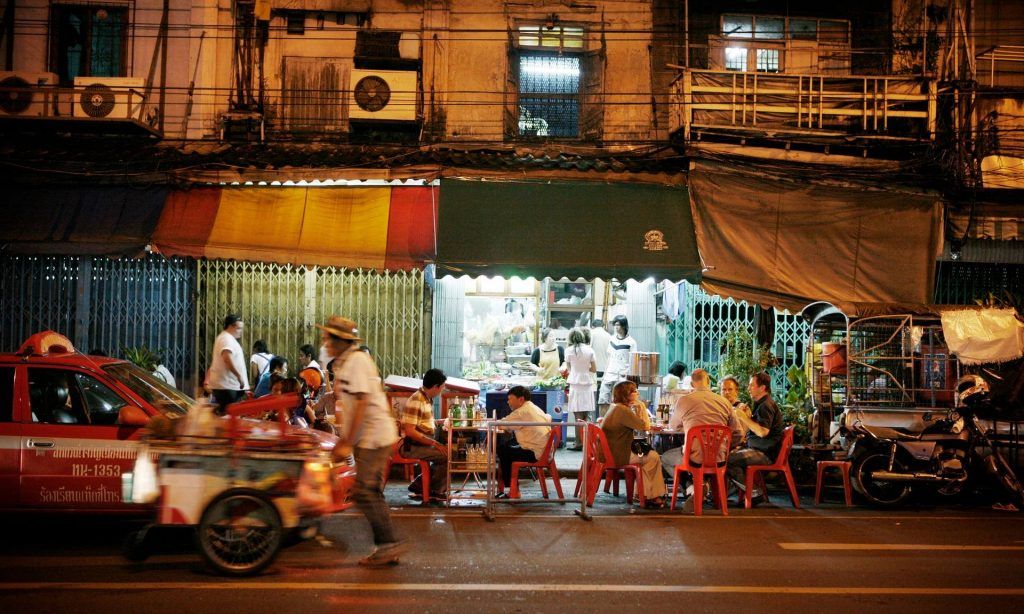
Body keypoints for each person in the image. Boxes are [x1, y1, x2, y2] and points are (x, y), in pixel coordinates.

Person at [320, 315, 404, 567]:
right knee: (371, 492)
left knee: (364, 492)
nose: (325, 343)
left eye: (328, 338)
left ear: (340, 340)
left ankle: (388, 545)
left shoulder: (356, 361)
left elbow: (360, 403)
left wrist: (346, 441)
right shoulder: (347, 362)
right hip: (370, 436)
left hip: (373, 436)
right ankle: (387, 546)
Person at [662, 369, 740, 512]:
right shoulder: (725, 402)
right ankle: (702, 486)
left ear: (692, 383)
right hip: (719, 457)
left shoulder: (684, 400)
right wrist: (726, 447)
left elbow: (673, 426)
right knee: (693, 454)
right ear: (709, 381)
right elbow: (738, 432)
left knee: (666, 458)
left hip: (694, 458)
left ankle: (693, 488)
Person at [600, 380, 667, 508]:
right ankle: (649, 495)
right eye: (634, 391)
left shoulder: (615, 407)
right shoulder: (622, 410)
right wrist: (641, 406)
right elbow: (645, 426)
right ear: (627, 395)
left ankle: (645, 493)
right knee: (653, 457)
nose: (637, 393)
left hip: (612, 450)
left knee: (649, 456)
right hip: (618, 454)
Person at [727, 372, 784, 506]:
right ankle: (748, 493)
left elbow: (762, 432)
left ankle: (754, 493)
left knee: (728, 459)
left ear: (762, 388)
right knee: (728, 456)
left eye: (752, 385)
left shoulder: (766, 405)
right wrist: (748, 417)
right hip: (757, 449)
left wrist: (743, 417)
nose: (748, 388)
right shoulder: (761, 404)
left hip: (765, 454)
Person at [399, 368, 450, 500]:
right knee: (448, 455)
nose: (442, 391)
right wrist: (435, 443)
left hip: (423, 444)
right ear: (435, 387)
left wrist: (441, 422)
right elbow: (410, 431)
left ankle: (420, 485)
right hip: (412, 447)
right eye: (442, 387)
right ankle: (433, 489)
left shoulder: (426, 399)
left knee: (448, 451)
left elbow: (424, 422)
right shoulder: (416, 400)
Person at [495, 386, 551, 498]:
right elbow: (508, 423)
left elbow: (502, 424)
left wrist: (493, 422)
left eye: (510, 399)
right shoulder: (533, 407)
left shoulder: (522, 412)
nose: (508, 402)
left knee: (503, 451)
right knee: (506, 447)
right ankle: (512, 488)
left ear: (520, 399)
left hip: (535, 453)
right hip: (544, 450)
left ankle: (513, 490)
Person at [206, 314, 250, 414]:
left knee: (227, 413)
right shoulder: (226, 339)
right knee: (229, 414)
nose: (241, 332)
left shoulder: (226, 338)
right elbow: (227, 358)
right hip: (227, 386)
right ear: (231, 326)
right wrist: (238, 375)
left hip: (228, 386)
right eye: (239, 328)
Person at [561, 328, 596, 451]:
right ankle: (586, 441)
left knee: (577, 414)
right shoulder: (590, 350)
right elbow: (594, 369)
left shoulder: (568, 351)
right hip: (587, 383)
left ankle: (578, 442)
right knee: (586, 414)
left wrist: (576, 370)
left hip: (575, 384)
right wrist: (585, 369)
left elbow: (569, 368)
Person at [598, 316, 637, 415]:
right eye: (615, 324)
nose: (616, 327)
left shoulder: (631, 342)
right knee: (603, 400)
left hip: (622, 375)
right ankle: (603, 424)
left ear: (624, 326)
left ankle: (617, 424)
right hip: (609, 374)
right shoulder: (611, 339)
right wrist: (604, 374)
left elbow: (633, 361)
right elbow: (609, 357)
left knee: (620, 403)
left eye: (618, 324)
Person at [719, 375, 748, 448]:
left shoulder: (743, 409)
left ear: (736, 391)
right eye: (724, 389)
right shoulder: (719, 408)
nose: (727, 392)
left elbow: (741, 436)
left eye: (730, 389)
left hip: (736, 448)